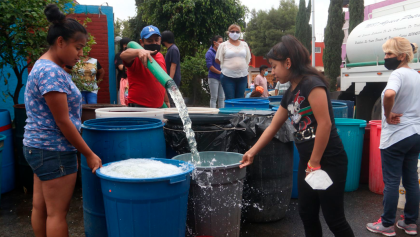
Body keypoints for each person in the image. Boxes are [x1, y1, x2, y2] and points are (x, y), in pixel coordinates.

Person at [239, 35, 355, 237]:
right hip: (308, 162)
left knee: (334, 219)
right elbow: (273, 126)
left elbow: (325, 124)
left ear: (288, 62)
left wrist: (315, 162)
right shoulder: (290, 92)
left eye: (274, 66)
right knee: (307, 214)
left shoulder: (312, 84)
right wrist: (252, 151)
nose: (272, 71)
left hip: (329, 160)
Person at [23, 4, 102, 237]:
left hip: (38, 147)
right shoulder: (52, 72)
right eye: (78, 48)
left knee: (42, 207)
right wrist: (89, 153)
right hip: (54, 149)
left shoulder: (42, 65)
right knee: (57, 213)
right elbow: (63, 121)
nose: (80, 54)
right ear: (60, 42)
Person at [366, 38, 420, 237]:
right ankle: (410, 223)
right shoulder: (416, 75)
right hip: (415, 135)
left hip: (397, 135)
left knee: (391, 182)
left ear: (402, 56)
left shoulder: (398, 74)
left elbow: (389, 95)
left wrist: (388, 115)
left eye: (389, 54)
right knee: (411, 181)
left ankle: (387, 224)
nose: (386, 58)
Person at [120, 25, 170, 108]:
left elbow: (161, 79)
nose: (154, 43)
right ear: (142, 42)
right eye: (149, 41)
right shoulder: (136, 56)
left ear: (160, 39)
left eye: (156, 40)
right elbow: (123, 55)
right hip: (139, 108)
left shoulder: (160, 56)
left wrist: (166, 101)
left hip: (158, 107)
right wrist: (138, 52)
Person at [215, 24, 251, 100]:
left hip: (242, 76)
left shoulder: (244, 45)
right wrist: (227, 66)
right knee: (230, 99)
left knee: (240, 99)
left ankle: (239, 112)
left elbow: (248, 58)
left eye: (237, 32)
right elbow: (217, 59)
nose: (235, 33)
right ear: (228, 33)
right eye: (232, 31)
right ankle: (230, 112)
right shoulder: (223, 45)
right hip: (227, 76)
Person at [161, 30, 181, 107]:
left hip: (173, 80)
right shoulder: (171, 49)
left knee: (172, 101)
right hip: (171, 79)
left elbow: (173, 66)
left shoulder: (173, 49)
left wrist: (170, 81)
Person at [206, 35, 225, 108]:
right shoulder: (209, 53)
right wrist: (220, 72)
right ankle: (212, 114)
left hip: (222, 77)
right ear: (214, 42)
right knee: (214, 97)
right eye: (220, 42)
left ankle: (221, 113)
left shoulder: (222, 52)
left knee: (222, 98)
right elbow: (210, 66)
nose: (221, 44)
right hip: (213, 77)